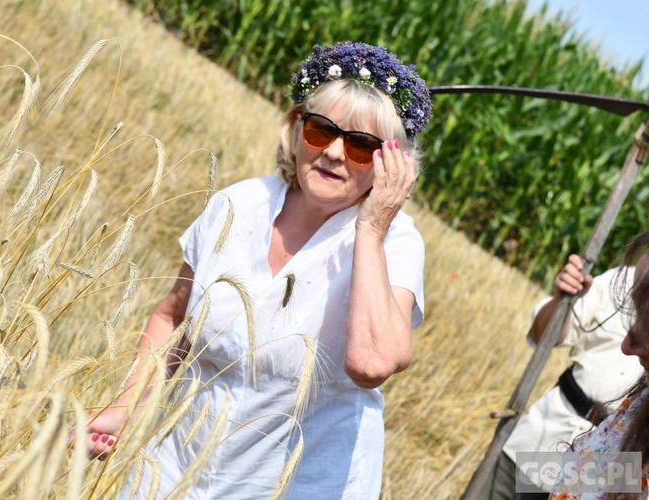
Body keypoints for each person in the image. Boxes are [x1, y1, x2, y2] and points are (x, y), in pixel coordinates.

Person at [83, 42, 433, 498]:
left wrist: (372, 227)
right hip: (176, 469)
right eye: (321, 131)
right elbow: (174, 316)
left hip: (301, 483)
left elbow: (371, 363)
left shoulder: (396, 242)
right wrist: (126, 406)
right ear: (296, 129)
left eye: (362, 147)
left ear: (393, 167)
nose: (333, 153)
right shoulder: (237, 204)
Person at [486, 254, 643, 499]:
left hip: (608, 470)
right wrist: (563, 300)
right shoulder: (623, 281)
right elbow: (544, 336)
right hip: (543, 435)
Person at [550, 230, 649, 498]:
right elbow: (547, 337)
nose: (627, 346)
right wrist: (562, 300)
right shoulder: (626, 277)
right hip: (550, 432)